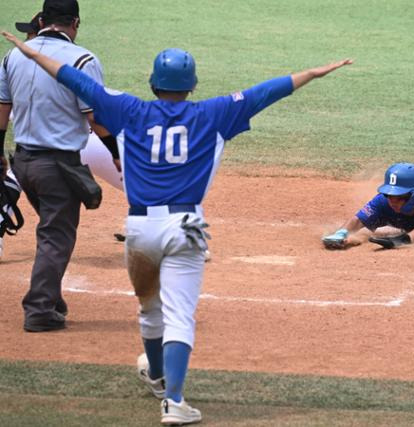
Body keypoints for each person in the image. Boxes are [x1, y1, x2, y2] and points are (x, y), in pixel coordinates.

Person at [2, 27, 352, 424]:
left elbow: (69, 75)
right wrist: (315, 72)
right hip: (185, 225)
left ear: (153, 83)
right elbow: (267, 91)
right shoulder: (215, 113)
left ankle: (156, 375)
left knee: (150, 312)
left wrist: (27, 51)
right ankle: (174, 401)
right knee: (180, 316)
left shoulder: (128, 110)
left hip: (139, 229)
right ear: (192, 85)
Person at [0, 0, 119, 332]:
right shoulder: (84, 60)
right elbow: (95, 117)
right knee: (57, 235)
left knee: (53, 228)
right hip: (57, 167)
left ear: (41, 19)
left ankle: (51, 297)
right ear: (75, 23)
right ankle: (39, 309)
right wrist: (115, 151)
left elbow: (2, 109)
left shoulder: (14, 55)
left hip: (22, 163)